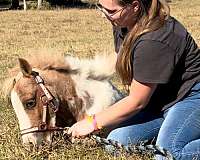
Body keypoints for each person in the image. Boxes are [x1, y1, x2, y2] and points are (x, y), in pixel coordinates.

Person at [67, 0, 200, 159]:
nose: (104, 15)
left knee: (168, 154)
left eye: (110, 11)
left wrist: (92, 122)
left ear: (135, 6)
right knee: (116, 143)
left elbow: (137, 101)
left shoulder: (154, 40)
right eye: (100, 7)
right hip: (159, 101)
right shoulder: (123, 23)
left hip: (190, 98)